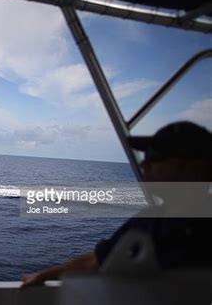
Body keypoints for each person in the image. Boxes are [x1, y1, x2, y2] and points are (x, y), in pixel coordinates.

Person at [20, 121, 211, 289]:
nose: (144, 165)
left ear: (193, 167)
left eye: (154, 157)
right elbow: (100, 259)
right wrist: (45, 275)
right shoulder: (151, 219)